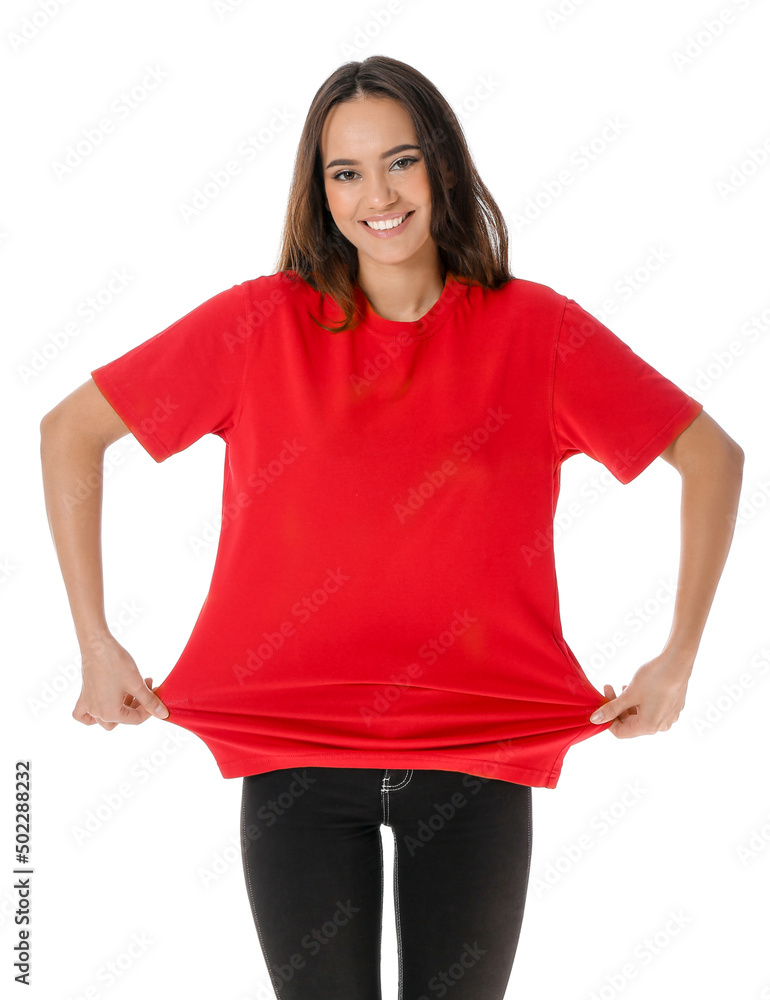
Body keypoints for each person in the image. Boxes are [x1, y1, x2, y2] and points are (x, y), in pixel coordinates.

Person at [40, 55, 743, 1000]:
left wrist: (678, 661)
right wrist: (96, 643)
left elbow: (712, 456)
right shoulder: (259, 324)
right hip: (296, 762)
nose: (377, 194)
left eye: (401, 161)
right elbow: (71, 432)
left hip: (477, 760)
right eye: (346, 172)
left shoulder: (537, 332)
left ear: (444, 167)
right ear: (319, 189)